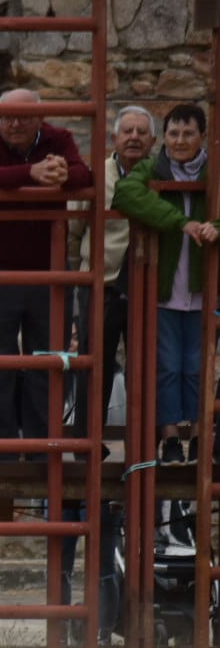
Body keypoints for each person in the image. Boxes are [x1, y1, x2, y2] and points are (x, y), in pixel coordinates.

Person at [0, 88, 92, 447]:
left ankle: (42, 448)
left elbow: (83, 175)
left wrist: (59, 174)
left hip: (50, 271)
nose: (14, 123)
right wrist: (33, 173)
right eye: (7, 116)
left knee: (49, 363)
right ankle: (2, 449)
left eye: (23, 116)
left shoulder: (60, 138)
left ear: (41, 118)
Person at [113, 102, 217, 467]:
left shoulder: (213, 170)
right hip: (165, 288)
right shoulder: (153, 167)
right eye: (173, 133)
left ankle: (200, 435)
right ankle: (171, 436)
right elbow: (126, 194)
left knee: (199, 365)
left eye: (189, 133)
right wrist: (180, 222)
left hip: (204, 289)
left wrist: (214, 226)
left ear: (202, 136)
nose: (180, 140)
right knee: (168, 365)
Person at [67, 105, 155, 430]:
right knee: (95, 366)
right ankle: (87, 446)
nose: (133, 138)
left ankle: (141, 447)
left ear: (153, 140)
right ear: (114, 138)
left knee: (143, 367)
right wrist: (84, 276)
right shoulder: (96, 175)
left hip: (147, 285)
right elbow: (73, 231)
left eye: (141, 132)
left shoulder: (160, 176)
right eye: (127, 131)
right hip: (101, 284)